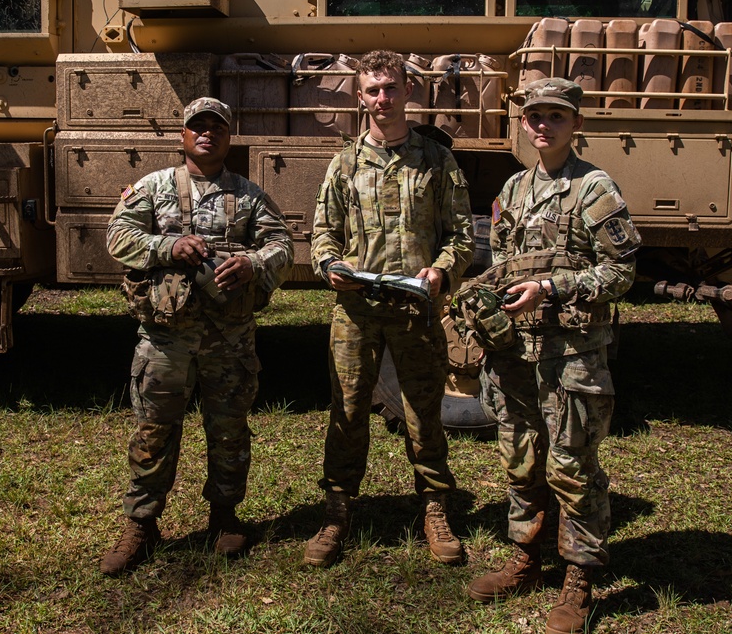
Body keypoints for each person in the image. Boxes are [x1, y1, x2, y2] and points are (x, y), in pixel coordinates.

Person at [466, 78, 640, 634]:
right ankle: (528, 556)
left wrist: (553, 288)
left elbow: (622, 272)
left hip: (572, 353)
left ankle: (580, 579)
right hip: (516, 350)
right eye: (534, 115)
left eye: (556, 117)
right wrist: (482, 297)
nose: (543, 125)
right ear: (521, 121)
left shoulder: (595, 189)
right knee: (519, 456)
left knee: (571, 464)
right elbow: (503, 260)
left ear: (576, 125)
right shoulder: (512, 189)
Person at [99, 97, 294, 576]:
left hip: (230, 337)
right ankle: (141, 525)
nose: (207, 134)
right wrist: (168, 245)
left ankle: (225, 518)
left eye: (217, 127)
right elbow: (117, 235)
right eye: (197, 127)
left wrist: (252, 263)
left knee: (228, 430)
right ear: (182, 135)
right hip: (165, 337)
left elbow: (284, 245)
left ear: (229, 137)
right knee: (153, 430)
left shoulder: (248, 195)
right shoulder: (154, 186)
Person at [306, 49, 475, 567]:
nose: (383, 98)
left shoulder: (436, 160)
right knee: (349, 412)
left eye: (391, 88)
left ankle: (435, 507)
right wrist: (329, 264)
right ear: (360, 98)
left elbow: (463, 235)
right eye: (373, 90)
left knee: (424, 413)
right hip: (356, 311)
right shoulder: (344, 163)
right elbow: (321, 233)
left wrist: (442, 270)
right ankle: (336, 512)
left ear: (408, 92)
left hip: (415, 310)